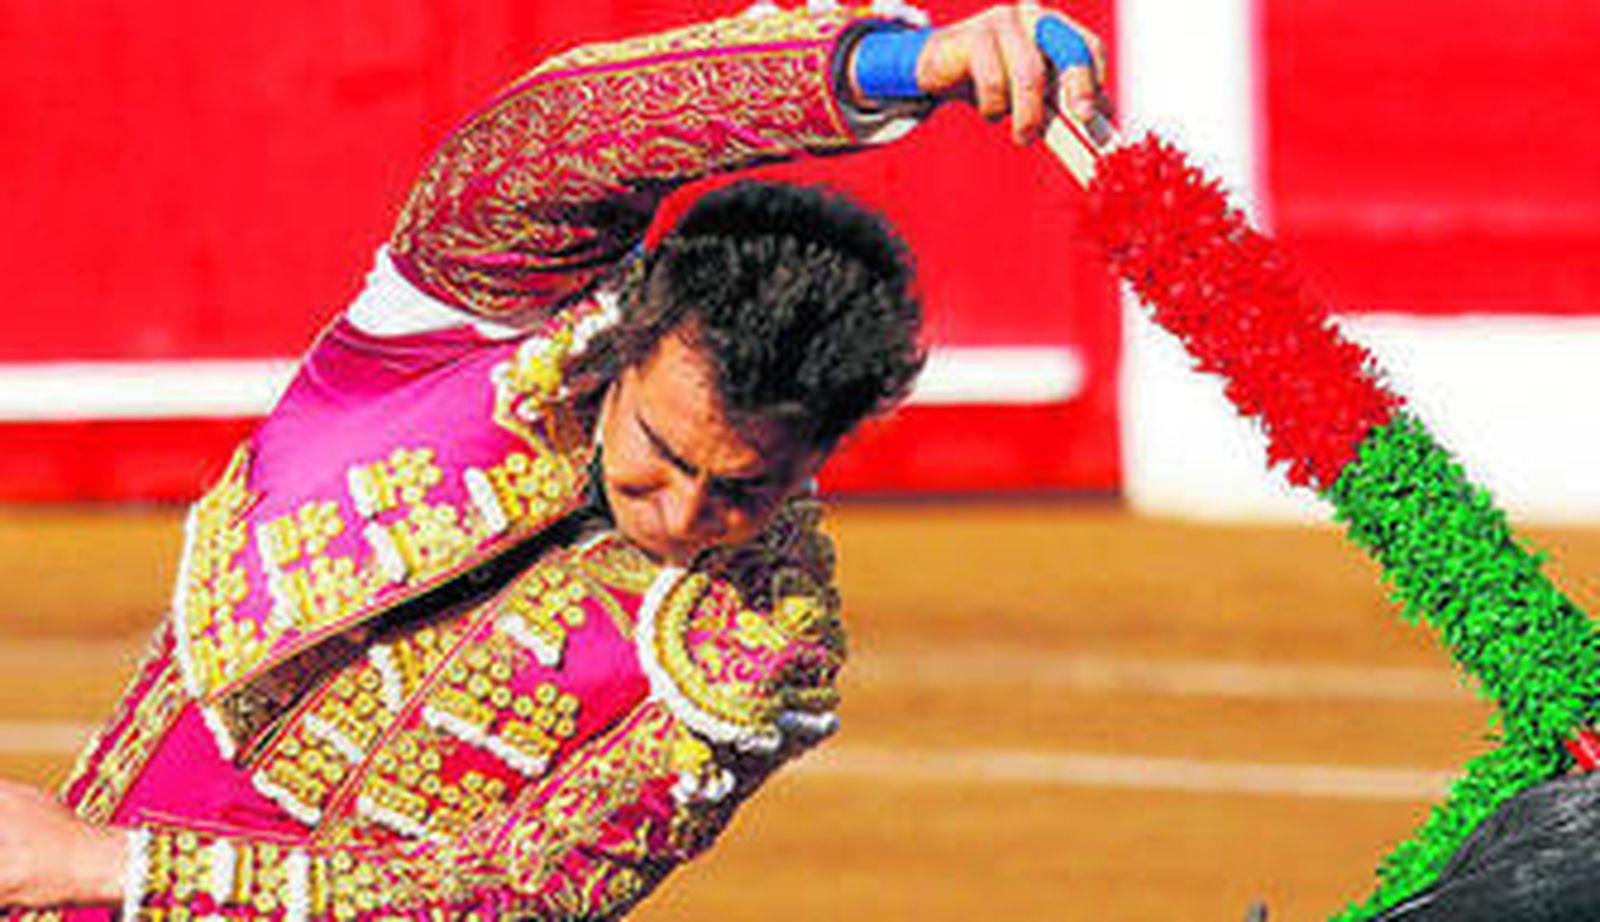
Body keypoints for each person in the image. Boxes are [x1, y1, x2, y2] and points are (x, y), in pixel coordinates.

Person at [0, 3, 1108, 919]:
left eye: (744, 490)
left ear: (823, 453)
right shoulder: (462, 323)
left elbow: (510, 894)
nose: (682, 512)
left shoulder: (756, 645)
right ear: (632, 343)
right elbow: (577, 125)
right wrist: (900, 64)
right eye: (663, 449)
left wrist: (111, 867)